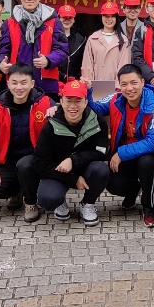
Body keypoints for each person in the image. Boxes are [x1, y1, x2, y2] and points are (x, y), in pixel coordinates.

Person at [90, 64, 154, 228]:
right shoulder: (115, 98)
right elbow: (94, 109)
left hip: (146, 155)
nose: (129, 88)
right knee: (113, 183)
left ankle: (149, 207)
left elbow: (153, 142)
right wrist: (88, 91)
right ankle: (133, 189)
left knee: (146, 162)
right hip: (125, 156)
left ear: (143, 82)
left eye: (134, 83)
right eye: (124, 84)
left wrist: (121, 153)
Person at [0, 63, 56, 221]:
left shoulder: (45, 103)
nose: (19, 87)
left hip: (35, 159)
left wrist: (58, 112)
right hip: (8, 160)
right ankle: (16, 191)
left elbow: (63, 124)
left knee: (24, 165)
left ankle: (30, 202)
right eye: (14, 83)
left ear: (32, 84)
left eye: (23, 82)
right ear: (8, 83)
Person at [31, 79, 110, 227]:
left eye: (78, 101)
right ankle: (60, 201)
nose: (73, 106)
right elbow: (40, 163)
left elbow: (102, 152)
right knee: (48, 199)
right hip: (58, 171)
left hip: (85, 167)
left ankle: (88, 204)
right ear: (61, 101)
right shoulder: (50, 125)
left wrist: (74, 160)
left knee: (101, 170)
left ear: (86, 102)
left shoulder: (98, 121)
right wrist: (72, 179)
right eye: (68, 101)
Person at [0, 0, 68, 98]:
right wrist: (0, 64)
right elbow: (2, 51)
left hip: (45, 84)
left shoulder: (53, 21)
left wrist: (49, 60)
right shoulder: (9, 23)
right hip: (17, 84)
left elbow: (62, 49)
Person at [80, 1, 132, 83]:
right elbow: (87, 65)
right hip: (95, 87)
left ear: (116, 18)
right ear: (101, 17)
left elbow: (124, 66)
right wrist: (89, 83)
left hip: (116, 87)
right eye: (106, 16)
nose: (109, 19)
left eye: (112, 16)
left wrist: (118, 85)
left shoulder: (124, 40)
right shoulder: (93, 39)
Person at [58, 5, 86, 82]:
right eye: (64, 17)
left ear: (74, 20)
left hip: (74, 82)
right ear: (59, 18)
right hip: (54, 81)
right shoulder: (52, 37)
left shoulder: (81, 40)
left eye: (70, 18)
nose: (67, 20)